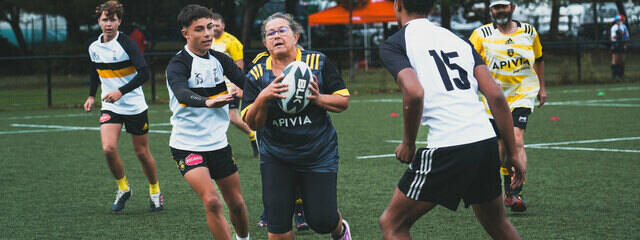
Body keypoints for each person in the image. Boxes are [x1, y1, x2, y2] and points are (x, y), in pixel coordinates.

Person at [378, 0, 526, 239]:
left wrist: (408, 144)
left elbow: (414, 93)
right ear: (433, 8)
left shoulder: (394, 44)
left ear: (397, 5)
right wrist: (512, 152)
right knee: (497, 224)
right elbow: (497, 97)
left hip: (450, 146)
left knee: (392, 224)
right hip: (485, 142)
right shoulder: (459, 39)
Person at [241, 12, 352, 240]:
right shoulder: (256, 73)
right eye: (270, 33)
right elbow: (252, 123)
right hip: (277, 156)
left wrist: (318, 99)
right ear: (265, 43)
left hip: (318, 153)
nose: (276, 36)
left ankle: (340, 229)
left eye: (282, 30)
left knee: (322, 221)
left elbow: (343, 101)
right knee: (278, 229)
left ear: (296, 36)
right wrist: (263, 97)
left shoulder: (318, 63)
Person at [165, 4, 250, 240]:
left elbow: (247, 82)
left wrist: (252, 91)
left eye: (210, 28)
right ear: (186, 34)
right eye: (200, 29)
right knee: (212, 201)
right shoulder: (178, 64)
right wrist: (207, 102)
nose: (207, 34)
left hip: (218, 145)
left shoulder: (221, 60)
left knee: (237, 204)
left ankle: (244, 238)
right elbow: (182, 93)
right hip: (187, 145)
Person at [83, 0, 163, 213]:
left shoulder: (127, 43)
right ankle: (123, 188)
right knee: (108, 148)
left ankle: (155, 192)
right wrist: (91, 96)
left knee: (141, 152)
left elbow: (144, 73)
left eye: (113, 19)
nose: (108, 24)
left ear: (119, 21)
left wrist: (121, 92)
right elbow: (95, 72)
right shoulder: (94, 47)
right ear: (99, 21)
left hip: (134, 106)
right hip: (111, 107)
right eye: (104, 19)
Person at [469, 0, 545, 212]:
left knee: (517, 138)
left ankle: (515, 192)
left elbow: (538, 59)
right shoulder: (480, 34)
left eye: (504, 6)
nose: (500, 11)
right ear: (491, 10)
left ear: (512, 7)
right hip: (494, 97)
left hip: (522, 93)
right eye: (496, 7)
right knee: (501, 146)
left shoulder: (529, 32)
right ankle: (506, 186)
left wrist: (542, 88)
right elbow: (468, 61)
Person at [210, 12, 259, 157]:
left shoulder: (232, 41)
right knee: (213, 115)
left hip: (230, 85)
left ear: (223, 26)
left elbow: (239, 65)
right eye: (212, 25)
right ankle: (216, 148)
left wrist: (237, 85)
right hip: (215, 86)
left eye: (217, 25)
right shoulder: (208, 40)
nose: (215, 28)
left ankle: (254, 135)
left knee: (233, 117)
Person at [610, 14, 630, 81]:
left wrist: (624, 40)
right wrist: (619, 34)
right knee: (615, 60)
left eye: (621, 20)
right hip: (616, 44)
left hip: (622, 44)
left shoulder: (624, 27)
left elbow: (626, 36)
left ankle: (621, 75)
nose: (620, 21)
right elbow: (613, 37)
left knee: (622, 60)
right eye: (619, 20)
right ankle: (614, 76)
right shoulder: (614, 27)